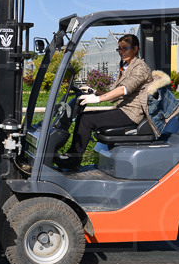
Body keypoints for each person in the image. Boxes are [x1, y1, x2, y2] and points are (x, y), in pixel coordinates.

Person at [59, 34, 153, 168]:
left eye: (125, 48)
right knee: (83, 117)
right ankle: (72, 156)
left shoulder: (140, 68)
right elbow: (114, 93)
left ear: (135, 48)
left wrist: (97, 99)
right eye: (119, 49)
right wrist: (93, 91)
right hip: (122, 110)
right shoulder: (126, 67)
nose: (121, 52)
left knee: (86, 119)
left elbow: (123, 90)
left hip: (132, 114)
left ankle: (73, 161)